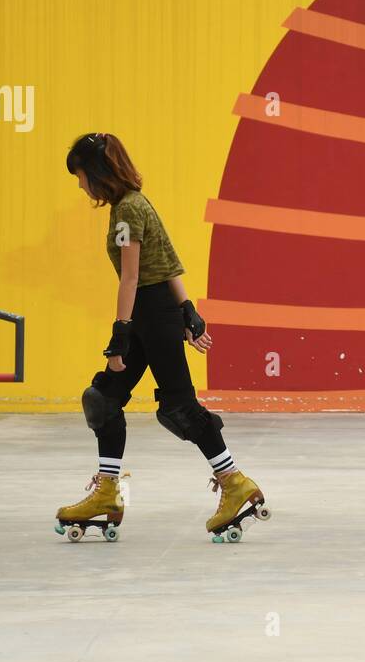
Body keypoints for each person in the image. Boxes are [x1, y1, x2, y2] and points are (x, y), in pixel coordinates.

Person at [55, 132, 265, 541]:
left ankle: (234, 481)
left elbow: (132, 277)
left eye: (80, 176)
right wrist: (186, 309)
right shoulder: (134, 203)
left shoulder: (127, 211)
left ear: (97, 173)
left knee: (179, 408)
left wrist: (121, 333)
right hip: (154, 312)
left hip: (148, 314)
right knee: (105, 399)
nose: (80, 185)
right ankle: (107, 492)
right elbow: (167, 260)